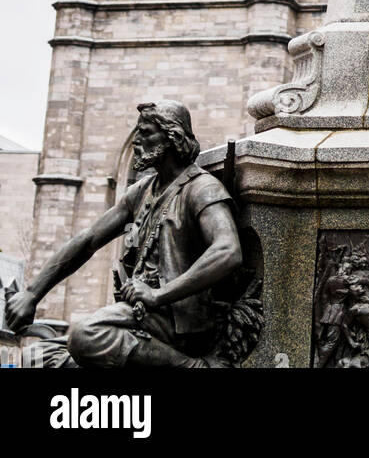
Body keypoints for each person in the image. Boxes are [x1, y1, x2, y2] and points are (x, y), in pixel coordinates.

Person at [6, 101, 244, 369]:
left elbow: (228, 251)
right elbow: (87, 240)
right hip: (139, 316)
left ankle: (192, 367)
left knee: (86, 336)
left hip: (177, 321)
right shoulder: (142, 191)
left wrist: (159, 295)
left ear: (172, 137)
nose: (137, 141)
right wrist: (31, 293)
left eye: (145, 133)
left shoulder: (202, 189)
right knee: (37, 358)